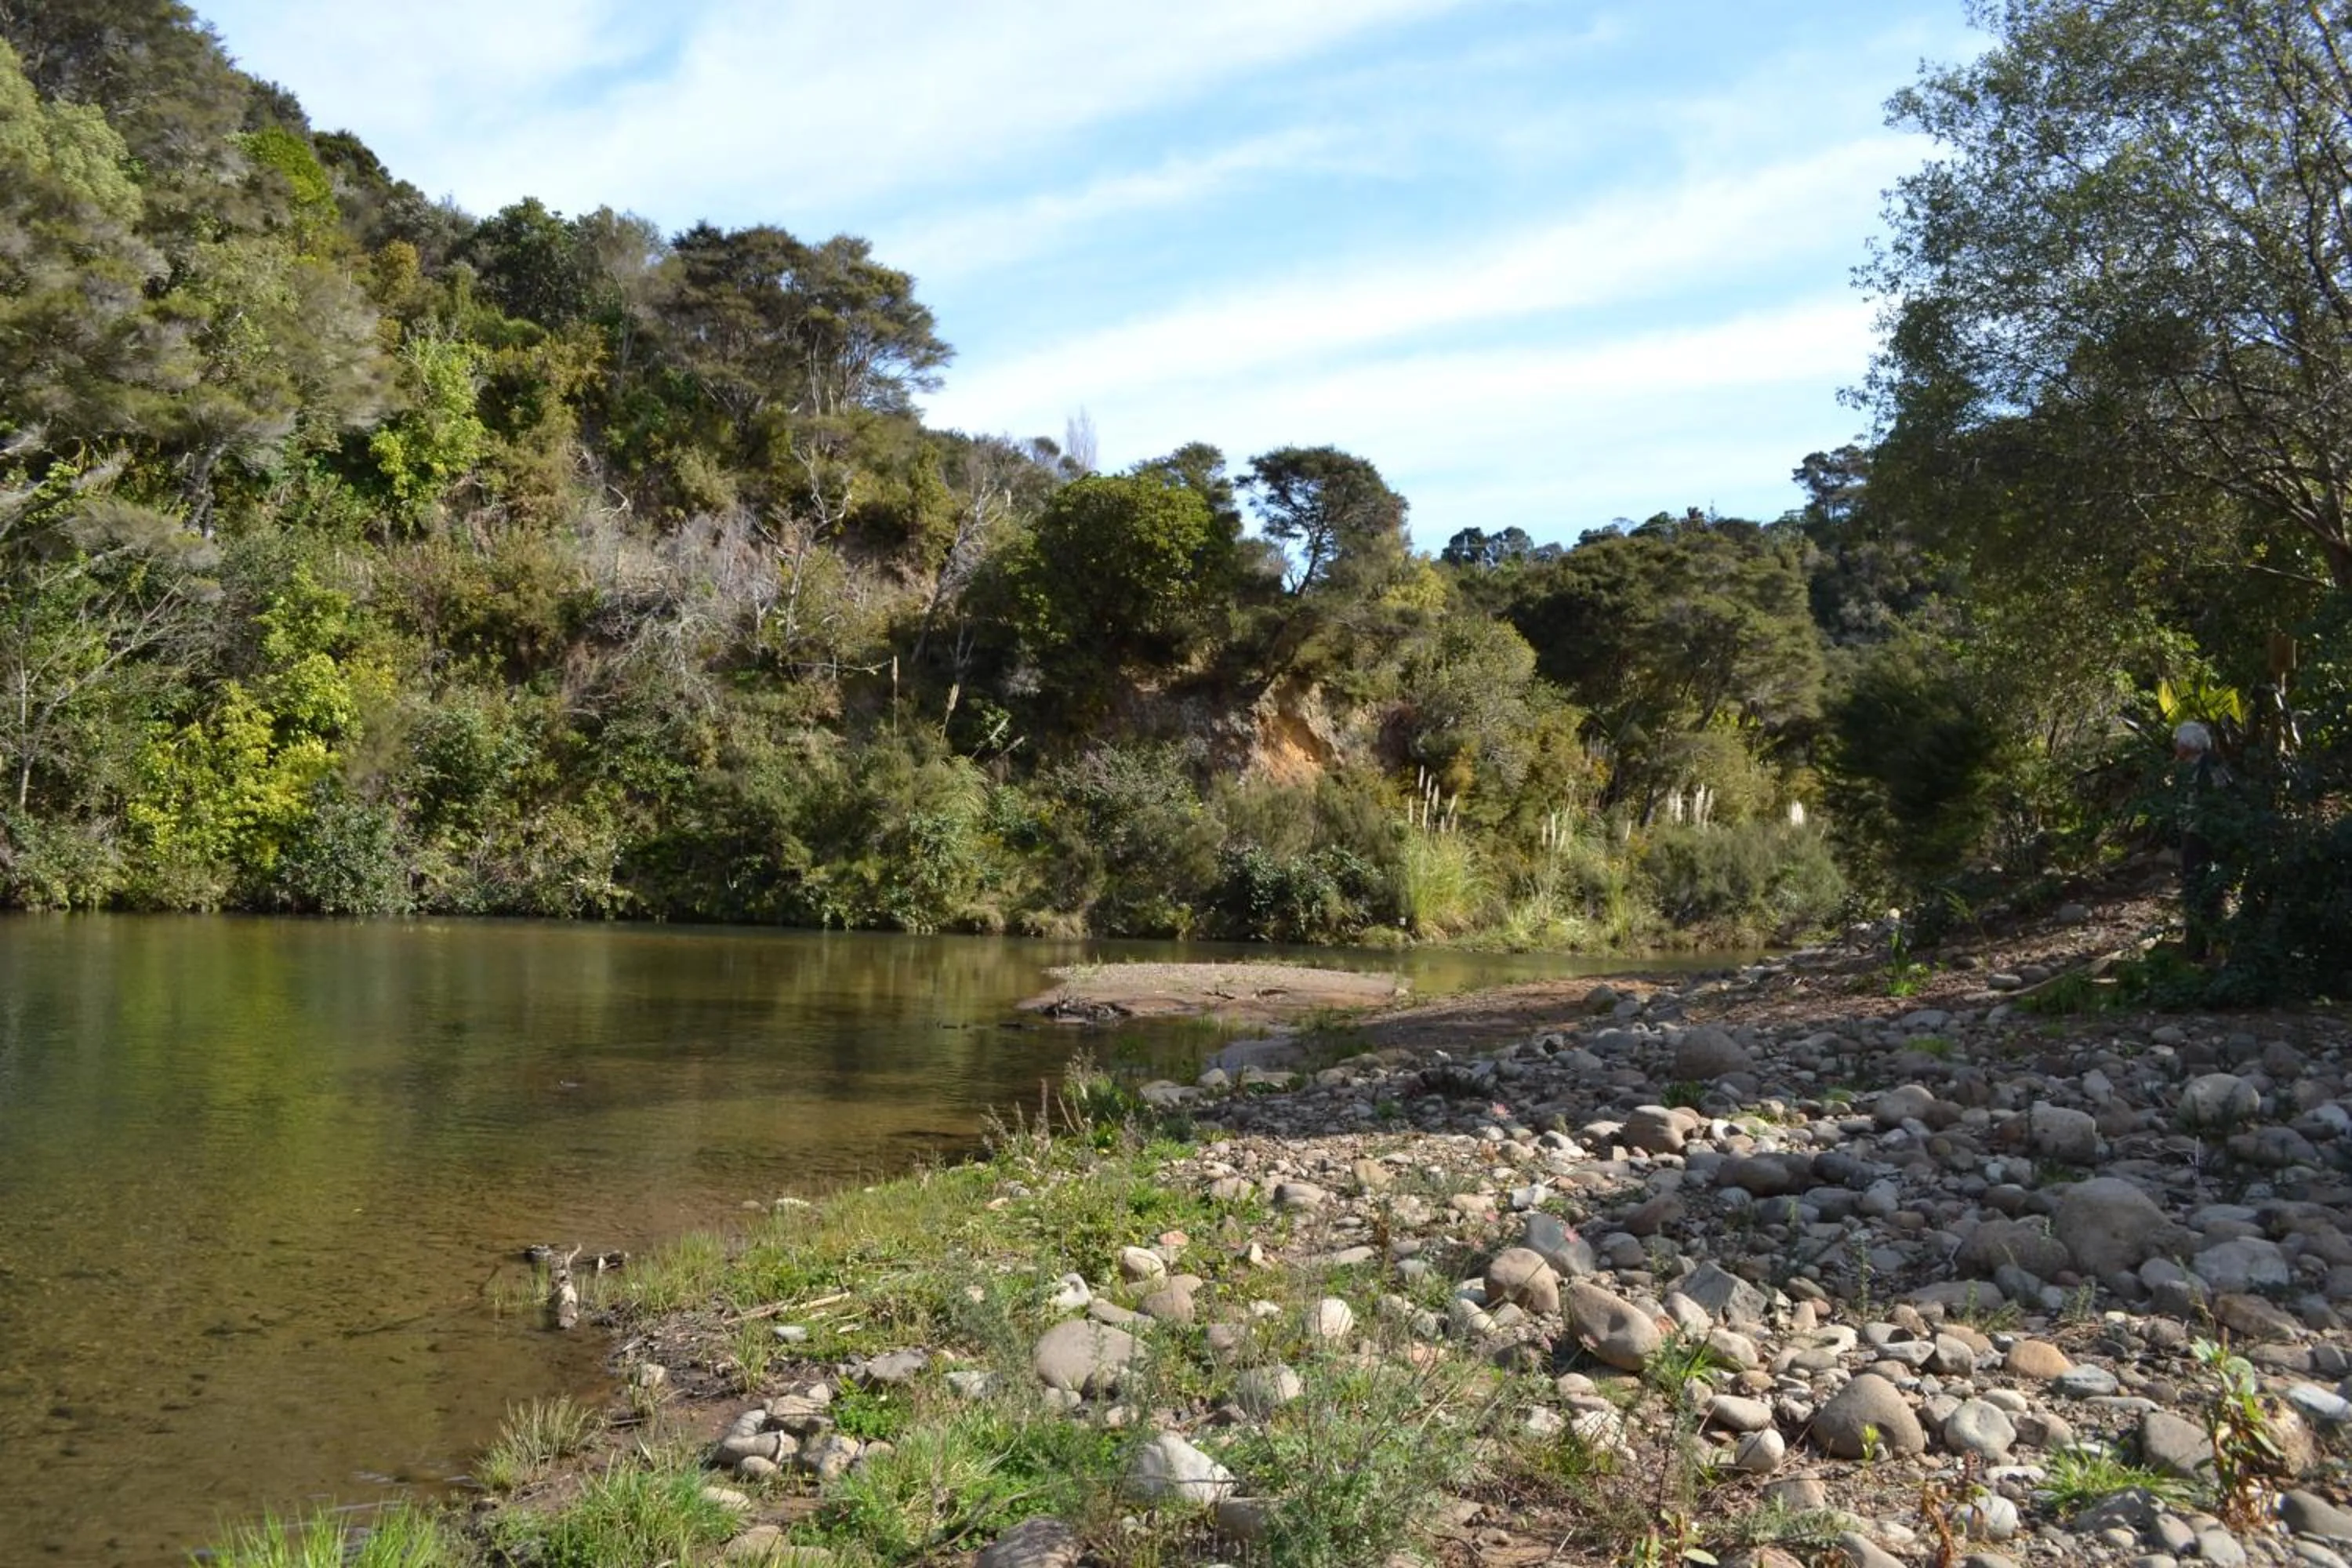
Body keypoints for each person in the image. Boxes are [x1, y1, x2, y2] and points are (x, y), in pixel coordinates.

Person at [2173, 720, 2231, 960]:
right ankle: (2200, 948)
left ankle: (2204, 950)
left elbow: (2216, 804)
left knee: (2202, 892)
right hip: (2198, 836)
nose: (2176, 747)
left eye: (2178, 742)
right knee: (2199, 893)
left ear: (2188, 746)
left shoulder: (2209, 770)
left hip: (2204, 838)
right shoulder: (2193, 768)